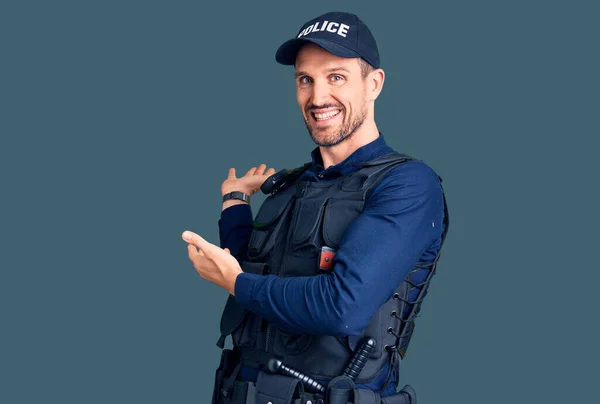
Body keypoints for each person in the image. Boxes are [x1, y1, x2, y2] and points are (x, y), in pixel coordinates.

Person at [182, 11, 449, 404]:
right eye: (305, 80)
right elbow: (249, 276)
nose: (318, 97)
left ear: (373, 84)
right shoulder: (292, 186)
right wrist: (235, 202)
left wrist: (235, 283)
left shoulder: (407, 185)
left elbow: (341, 306)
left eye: (336, 77)